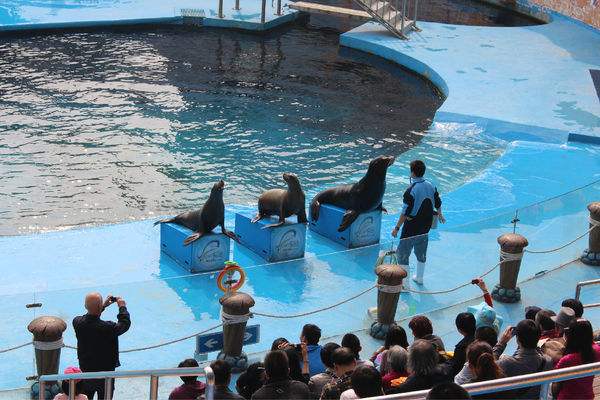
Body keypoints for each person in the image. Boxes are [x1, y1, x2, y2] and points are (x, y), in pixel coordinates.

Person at [391, 159, 445, 285]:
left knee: (403, 254)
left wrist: (396, 228)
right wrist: (440, 215)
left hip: (411, 227)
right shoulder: (431, 186)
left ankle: (405, 284)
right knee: (421, 252)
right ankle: (419, 278)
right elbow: (438, 203)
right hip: (425, 226)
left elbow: (404, 213)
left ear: (412, 173)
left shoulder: (411, 190)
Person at [73, 292, 130, 400]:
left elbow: (89, 318)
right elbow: (124, 324)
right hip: (106, 374)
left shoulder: (77, 322)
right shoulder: (109, 327)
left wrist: (102, 306)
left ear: (85, 306)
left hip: (86, 372)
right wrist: (122, 307)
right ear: (99, 307)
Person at [494, 320, 552, 399]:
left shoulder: (506, 363)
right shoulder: (547, 361)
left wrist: (501, 343)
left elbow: (490, 366)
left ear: (517, 339)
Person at [552, 318, 600, 399]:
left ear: (571, 335)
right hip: (587, 396)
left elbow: (555, 385)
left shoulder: (567, 360)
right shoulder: (597, 351)